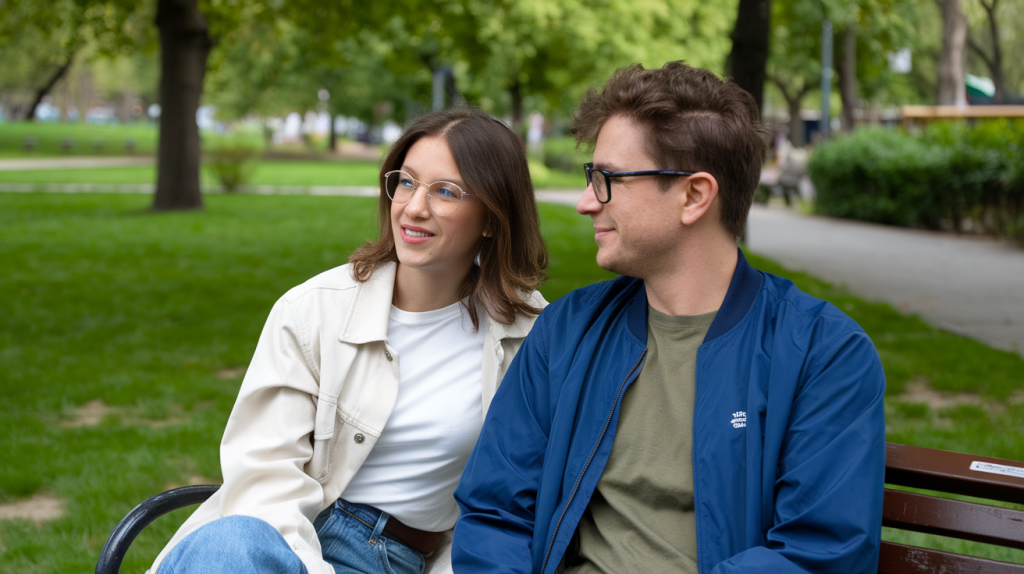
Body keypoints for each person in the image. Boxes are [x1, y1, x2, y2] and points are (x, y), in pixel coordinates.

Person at [452, 62, 886, 574]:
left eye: (607, 179)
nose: (585, 202)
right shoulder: (568, 331)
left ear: (694, 196)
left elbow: (819, 555)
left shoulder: (825, 354)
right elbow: (494, 513)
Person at [151, 107, 549, 574]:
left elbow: (514, 504)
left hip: (396, 559)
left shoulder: (530, 335)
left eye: (445, 191)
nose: (414, 207)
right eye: (406, 182)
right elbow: (264, 478)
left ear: (491, 216)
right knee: (229, 544)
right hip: (282, 538)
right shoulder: (314, 310)